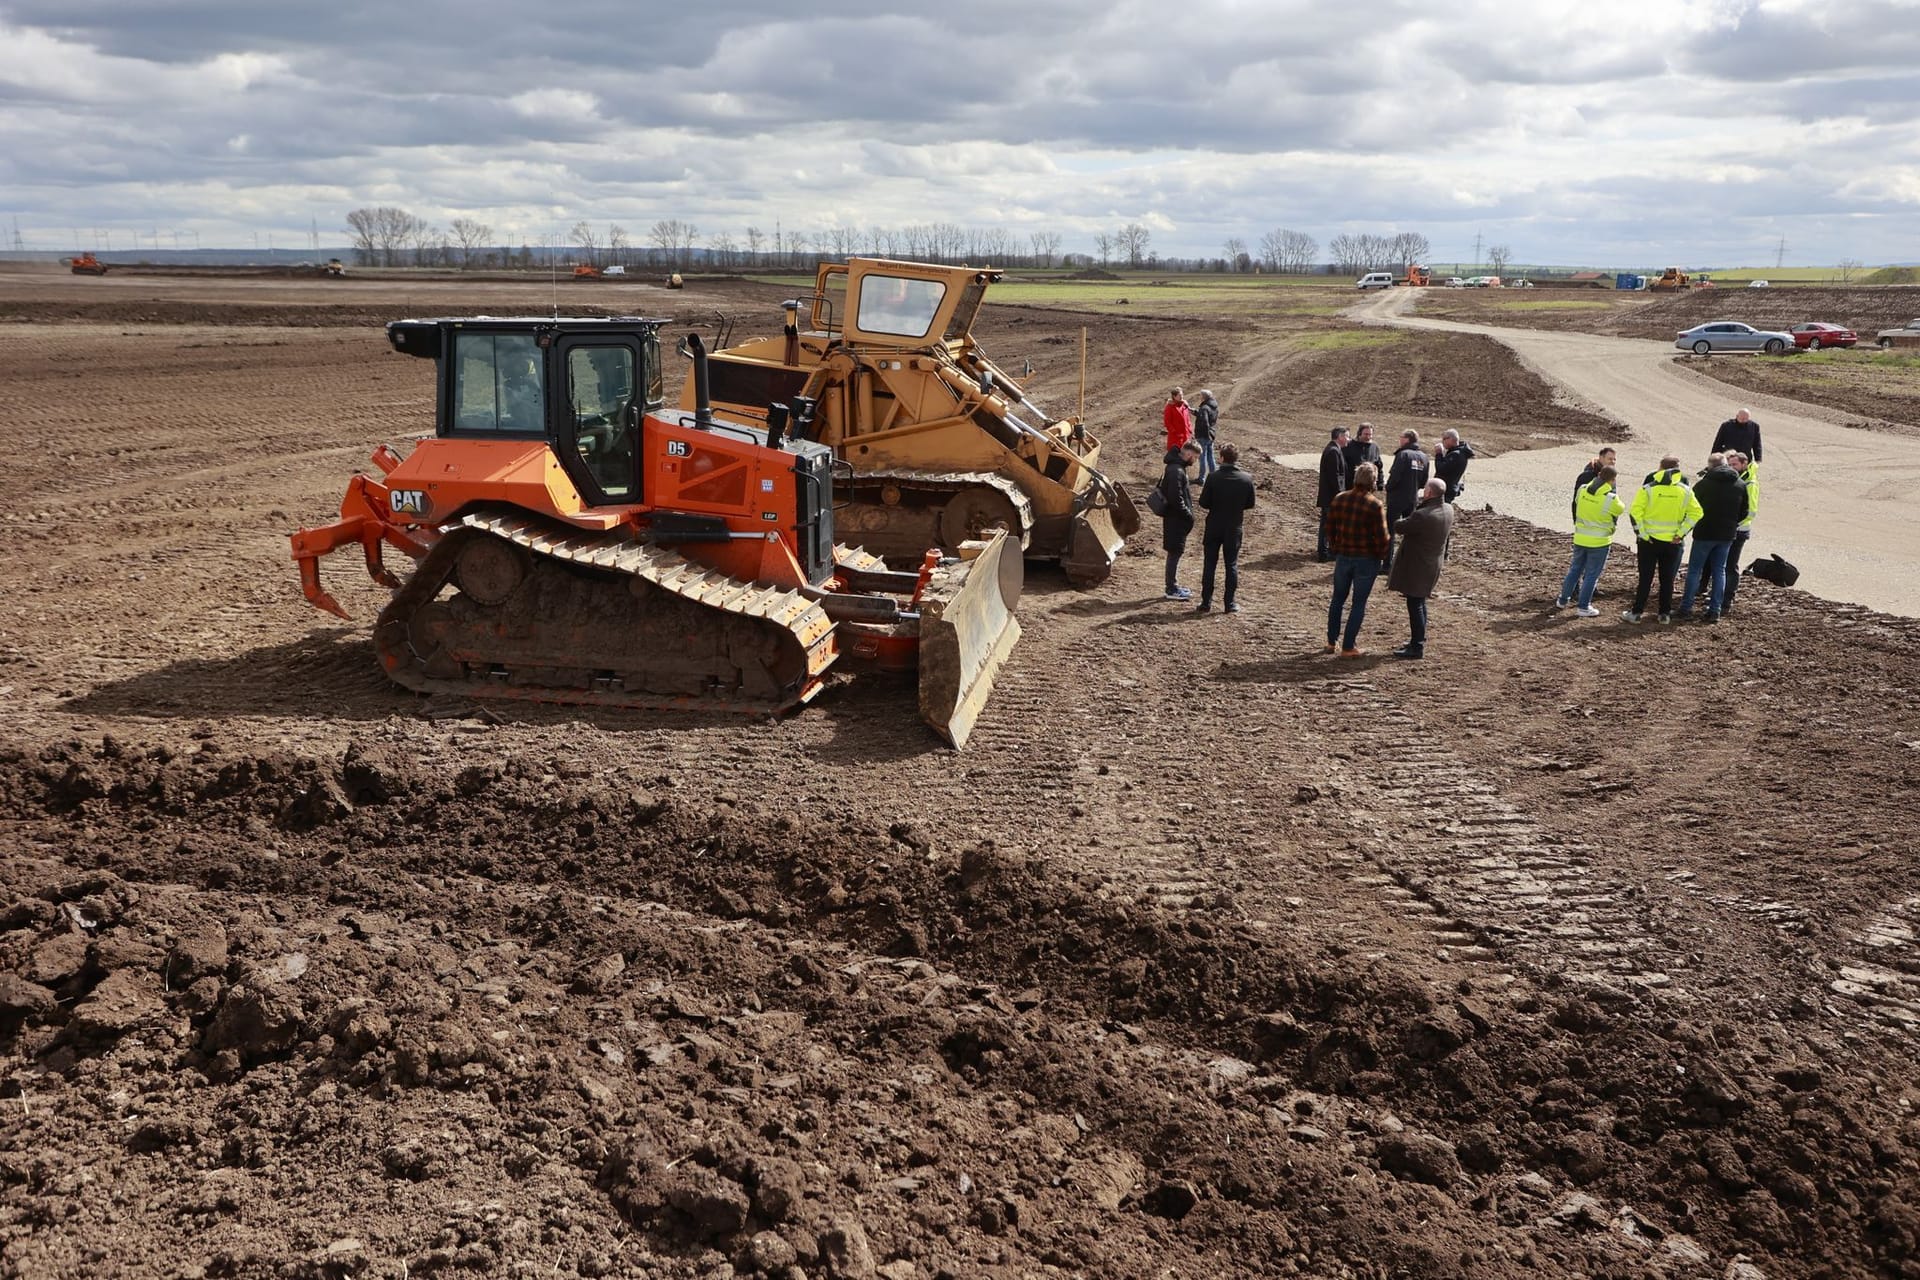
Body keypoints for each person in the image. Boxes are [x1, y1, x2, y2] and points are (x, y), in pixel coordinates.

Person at [1622, 455, 1703, 624]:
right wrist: (1681, 533)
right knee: (1667, 579)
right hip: (1672, 543)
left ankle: (1636, 613)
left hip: (1648, 542)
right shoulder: (1685, 490)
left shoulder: (1648, 489)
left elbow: (1635, 513)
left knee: (1645, 578)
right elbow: (1697, 513)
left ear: (1659, 469)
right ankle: (1664, 614)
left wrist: (1642, 534)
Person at [1324, 462, 1390, 657]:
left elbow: (1330, 529)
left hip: (1344, 556)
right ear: (1373, 481)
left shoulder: (1340, 499)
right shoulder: (1374, 505)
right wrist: (1381, 556)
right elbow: (1383, 536)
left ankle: (1330, 641)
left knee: (1337, 599)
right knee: (1358, 603)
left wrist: (1336, 547)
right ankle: (1348, 646)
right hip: (1366, 559)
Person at [1676, 452, 1748, 623]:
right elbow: (1744, 511)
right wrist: (1731, 524)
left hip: (1704, 533)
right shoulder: (1740, 484)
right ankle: (1715, 610)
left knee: (1695, 570)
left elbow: (1691, 509)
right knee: (1720, 571)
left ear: (1710, 466)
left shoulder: (1703, 485)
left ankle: (1686, 608)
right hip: (1727, 535)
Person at [1388, 477, 1454, 659]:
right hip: (1432, 563)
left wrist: (1412, 509)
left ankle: (1416, 646)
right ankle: (1418, 640)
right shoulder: (1448, 509)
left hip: (1418, 565)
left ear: (1429, 493)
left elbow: (1400, 526)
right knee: (1420, 602)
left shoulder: (1423, 515)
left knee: (1415, 603)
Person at [1557, 465, 1625, 617]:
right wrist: (1612, 490)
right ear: (1613, 480)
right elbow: (1620, 509)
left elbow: (1576, 501)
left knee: (1574, 570)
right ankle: (1583, 606)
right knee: (1591, 575)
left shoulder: (1582, 490)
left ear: (1599, 475)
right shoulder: (1611, 498)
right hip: (1599, 542)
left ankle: (1562, 600)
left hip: (1580, 538)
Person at [1196, 443, 1255, 613]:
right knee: (1231, 564)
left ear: (1221, 458)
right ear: (1236, 459)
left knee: (1209, 564)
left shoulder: (1213, 477)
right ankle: (1229, 603)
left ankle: (1206, 602)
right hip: (1234, 527)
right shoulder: (1246, 479)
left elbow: (1203, 502)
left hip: (1214, 526)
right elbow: (1250, 504)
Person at [1159, 440, 1201, 600]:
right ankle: (1171, 589)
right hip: (1176, 520)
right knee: (1175, 552)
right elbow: (1176, 498)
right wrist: (1187, 514)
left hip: (1174, 518)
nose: (1194, 461)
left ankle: (1172, 586)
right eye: (1195, 458)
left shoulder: (1175, 467)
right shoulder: (1177, 471)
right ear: (1189, 455)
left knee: (1175, 552)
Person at [1383, 429, 1430, 569]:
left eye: (1401, 437)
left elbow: (1395, 476)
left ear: (1407, 439)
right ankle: (1406, 563)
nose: (1399, 440)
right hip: (1412, 499)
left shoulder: (1403, 455)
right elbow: (1423, 481)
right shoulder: (1424, 457)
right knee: (1409, 533)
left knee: (1390, 530)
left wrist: (1388, 487)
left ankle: (1387, 564)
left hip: (1397, 498)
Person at [1722, 450, 1760, 616]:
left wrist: (1733, 525)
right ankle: (1722, 595)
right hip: (1730, 529)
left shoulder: (1750, 484)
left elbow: (1751, 511)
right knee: (1724, 565)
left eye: (1735, 465)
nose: (1732, 468)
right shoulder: (1738, 480)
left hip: (1738, 531)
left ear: (1744, 464)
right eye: (1729, 465)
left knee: (1731, 566)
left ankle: (1728, 599)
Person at [1317, 428, 1349, 561]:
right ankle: (1324, 553)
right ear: (1340, 437)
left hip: (1330, 497)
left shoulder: (1334, 450)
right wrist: (1340, 495)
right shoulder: (1333, 452)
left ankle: (1327, 551)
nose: (1349, 439)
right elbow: (1335, 477)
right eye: (1347, 436)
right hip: (1331, 497)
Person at [1573, 447, 1617, 518]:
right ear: (1601, 458)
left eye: (1614, 459)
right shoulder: (1587, 475)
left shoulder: (1611, 477)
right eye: (1610, 459)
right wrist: (1576, 520)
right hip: (1586, 521)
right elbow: (1576, 501)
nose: (1613, 462)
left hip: (1603, 522)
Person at [1434, 429, 1475, 502]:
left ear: (1450, 439)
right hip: (1449, 488)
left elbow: (1440, 469)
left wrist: (1439, 454)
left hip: (1446, 490)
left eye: (1444, 439)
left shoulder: (1456, 455)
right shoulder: (1459, 452)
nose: (1442, 441)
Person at [1191, 390, 1219, 482]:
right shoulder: (1214, 406)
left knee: (1202, 457)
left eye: (1201, 396)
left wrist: (1204, 435)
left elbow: (1204, 422)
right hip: (1211, 434)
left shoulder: (1204, 408)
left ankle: (1201, 478)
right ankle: (1213, 477)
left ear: (1203, 397)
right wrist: (1192, 411)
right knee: (1211, 456)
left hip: (1204, 436)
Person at [1163, 388, 1193, 454]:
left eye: (1182, 394)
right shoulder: (1169, 407)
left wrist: (1190, 429)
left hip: (1186, 435)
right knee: (1176, 456)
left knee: (1185, 456)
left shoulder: (1185, 405)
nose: (1181, 396)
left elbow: (1188, 418)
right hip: (1175, 437)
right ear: (1174, 396)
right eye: (1179, 395)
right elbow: (1167, 422)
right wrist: (1175, 432)